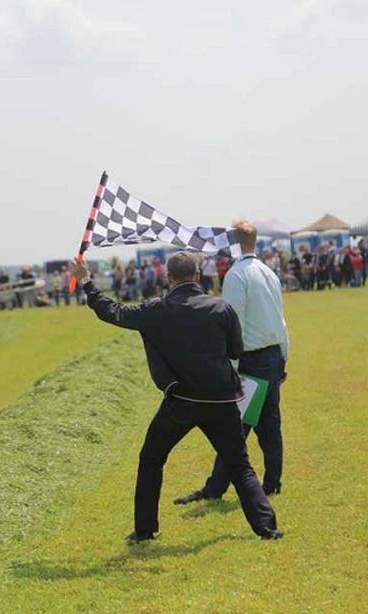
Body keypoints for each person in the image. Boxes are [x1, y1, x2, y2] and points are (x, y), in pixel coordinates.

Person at [71, 251, 282, 542]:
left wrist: (86, 282)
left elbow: (112, 311)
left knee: (151, 459)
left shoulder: (156, 310)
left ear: (168, 278)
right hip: (221, 400)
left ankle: (144, 531)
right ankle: (267, 529)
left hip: (180, 402)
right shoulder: (222, 309)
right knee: (240, 465)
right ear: (198, 275)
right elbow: (236, 351)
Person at [175, 220, 290, 505]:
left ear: (233, 243)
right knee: (269, 424)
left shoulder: (237, 275)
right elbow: (281, 319)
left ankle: (215, 489)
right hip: (274, 354)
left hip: (251, 359)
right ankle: (272, 482)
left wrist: (231, 365)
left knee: (235, 429)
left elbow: (233, 323)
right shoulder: (268, 273)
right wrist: (284, 356)